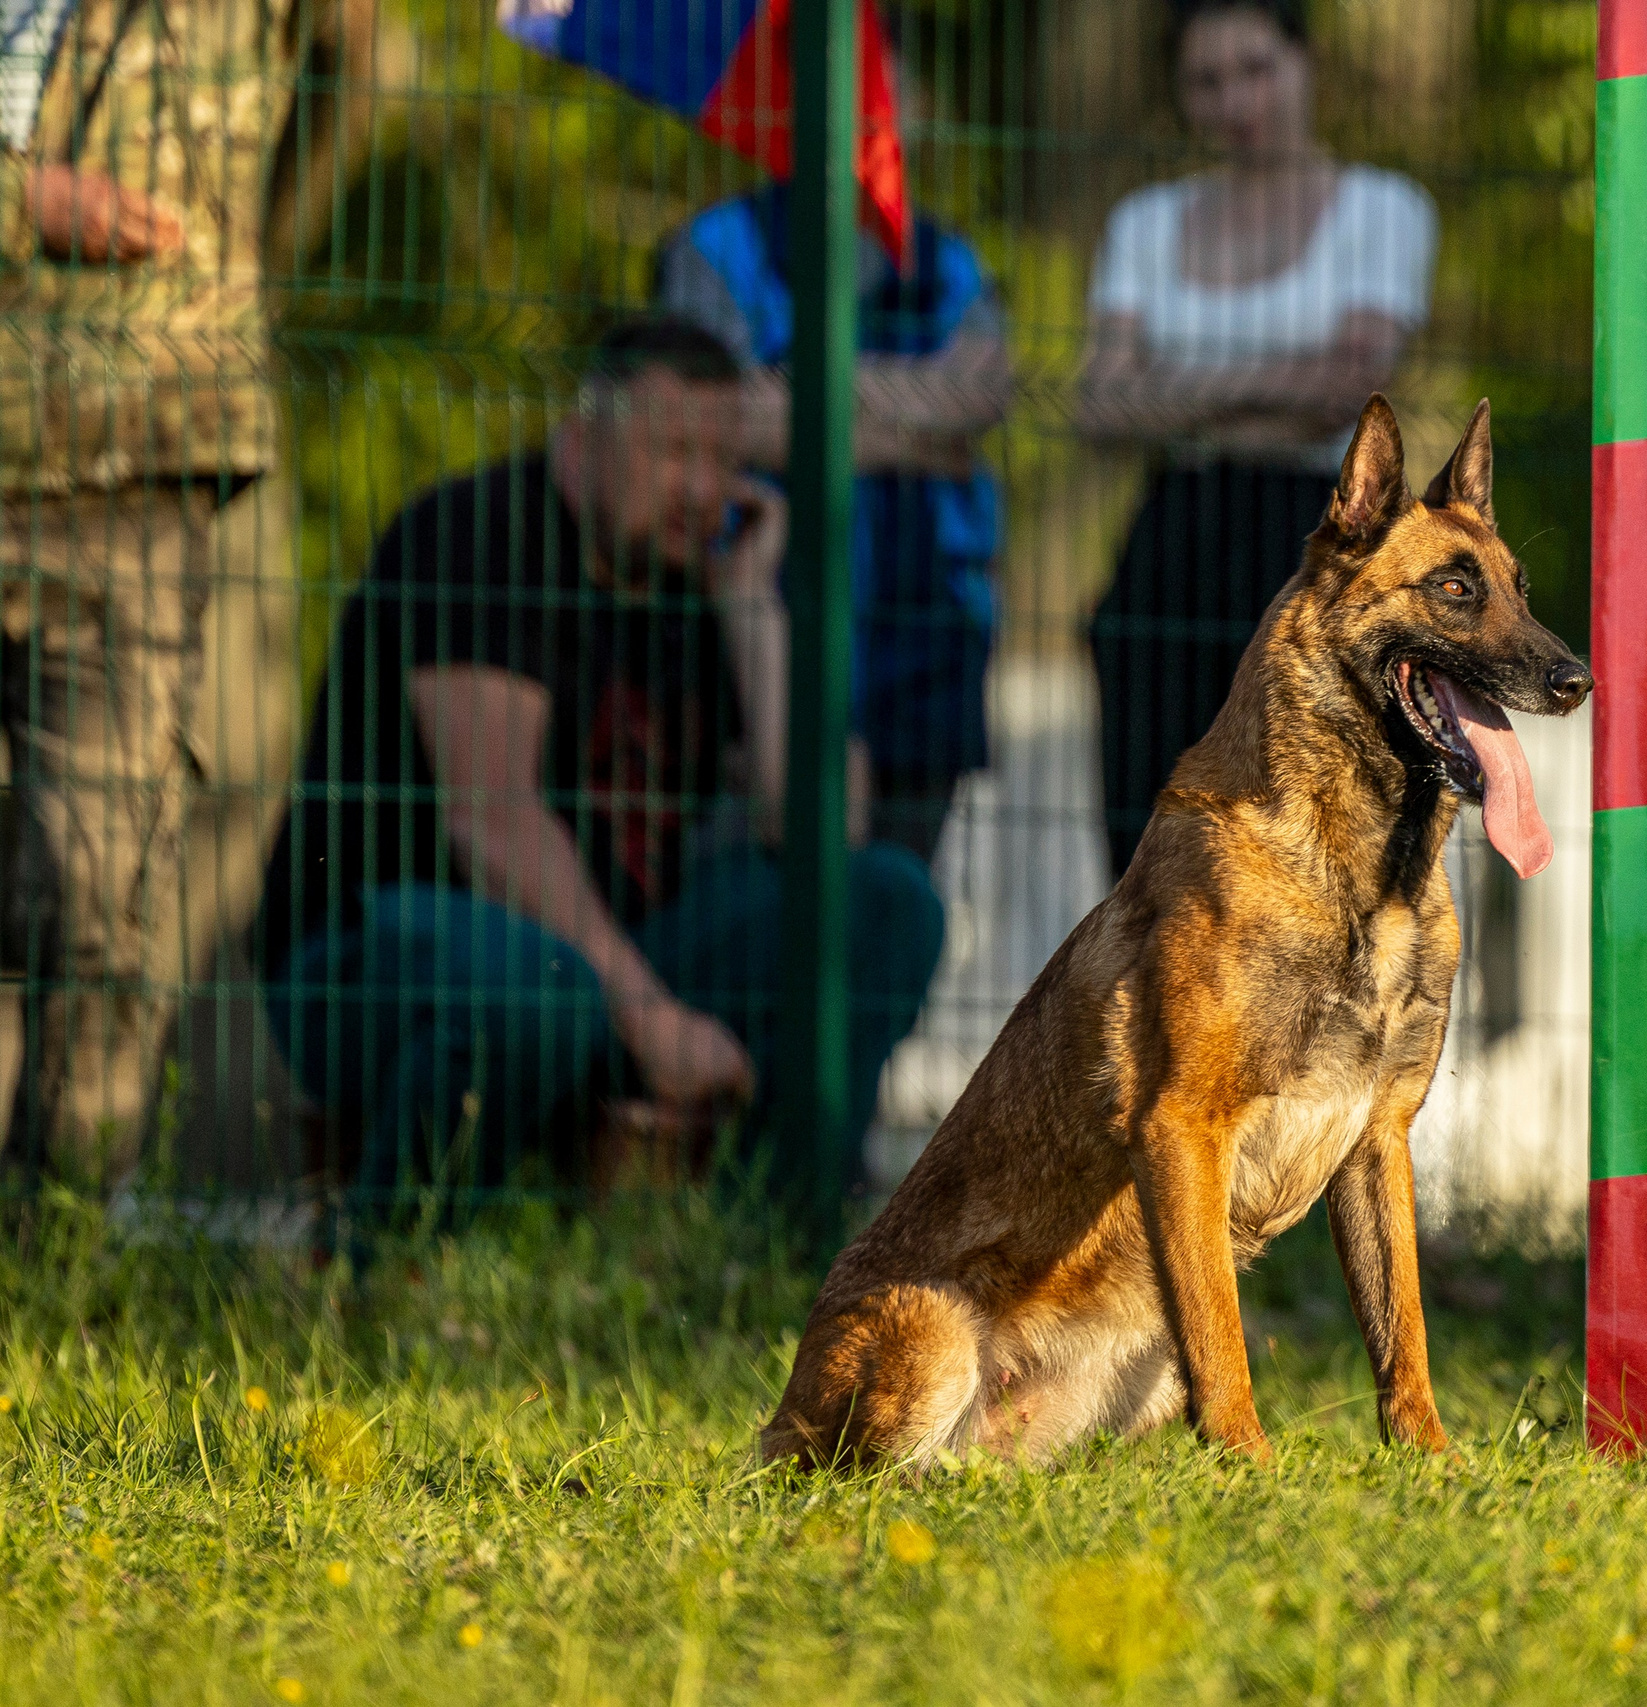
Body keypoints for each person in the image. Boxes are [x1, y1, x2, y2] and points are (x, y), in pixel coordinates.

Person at [256, 319, 943, 1214]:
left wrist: (752, 616)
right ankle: (391, 1260)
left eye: (723, 459)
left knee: (886, 899)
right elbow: (490, 822)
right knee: (536, 988)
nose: (705, 491)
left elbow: (825, 827)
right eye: (674, 454)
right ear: (582, 444)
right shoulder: (479, 534)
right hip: (377, 951)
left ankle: (768, 1257)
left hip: (595, 969)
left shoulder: (699, 575)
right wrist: (651, 1016)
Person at [0, 0, 357, 1184]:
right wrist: (27, 202)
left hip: (134, 456)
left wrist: (228, 269)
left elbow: (351, 67)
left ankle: (57, 1263)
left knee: (95, 872)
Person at [1075, 0, 1437, 875]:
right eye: (1207, 80)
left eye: (1255, 68)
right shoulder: (1145, 223)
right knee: (1149, 835)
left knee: (1303, 839)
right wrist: (1274, 383)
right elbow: (1097, 405)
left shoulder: (1383, 210)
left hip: (1319, 538)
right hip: (1173, 535)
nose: (1235, 99)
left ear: (1304, 63)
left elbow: (1352, 391)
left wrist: (1182, 390)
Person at [657, 52, 1012, 863]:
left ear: (915, 104)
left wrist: (796, 397)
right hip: (752, 644)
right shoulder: (714, 249)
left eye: (878, 89)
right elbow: (718, 421)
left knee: (897, 916)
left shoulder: (951, 262)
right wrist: (921, 429)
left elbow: (979, 400)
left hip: (924, 652)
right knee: (755, 907)